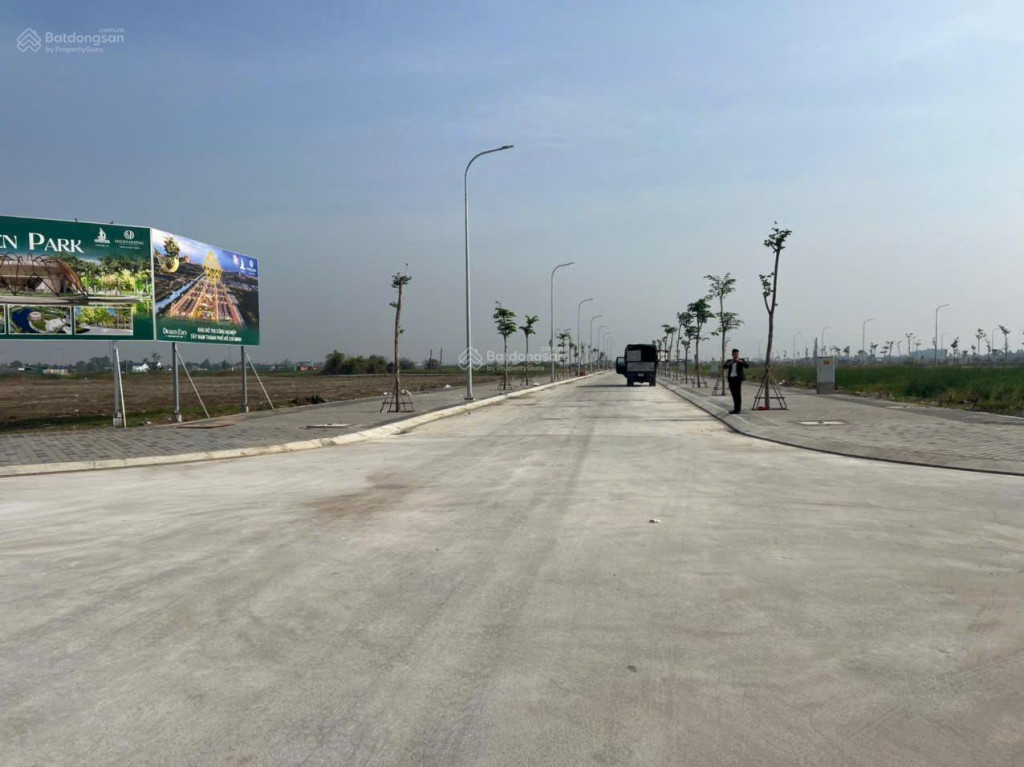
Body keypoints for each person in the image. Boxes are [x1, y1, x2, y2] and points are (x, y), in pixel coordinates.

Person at [723, 349, 748, 413]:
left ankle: (738, 409)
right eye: (734, 354)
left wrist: (741, 362)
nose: (736, 355)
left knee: (738, 394)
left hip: (738, 379)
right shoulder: (729, 361)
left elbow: (747, 366)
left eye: (737, 354)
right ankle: (735, 409)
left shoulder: (741, 360)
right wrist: (730, 362)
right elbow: (724, 367)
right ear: (732, 354)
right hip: (731, 379)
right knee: (734, 394)